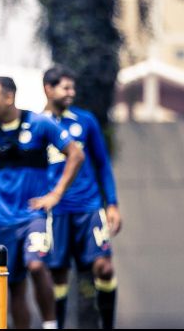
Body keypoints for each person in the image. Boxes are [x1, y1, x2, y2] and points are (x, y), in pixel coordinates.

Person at [0, 77, 85, 329]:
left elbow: (76, 154)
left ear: (9, 98)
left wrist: (56, 194)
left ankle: (51, 324)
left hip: (34, 215)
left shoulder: (40, 124)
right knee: (14, 283)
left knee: (37, 264)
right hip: (3, 218)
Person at [42, 66, 120, 329]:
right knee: (58, 276)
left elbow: (102, 164)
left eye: (73, 88)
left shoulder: (85, 121)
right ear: (48, 89)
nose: (71, 93)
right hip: (56, 212)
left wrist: (112, 204)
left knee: (104, 268)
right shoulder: (36, 124)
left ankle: (108, 325)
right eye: (66, 88)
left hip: (89, 207)